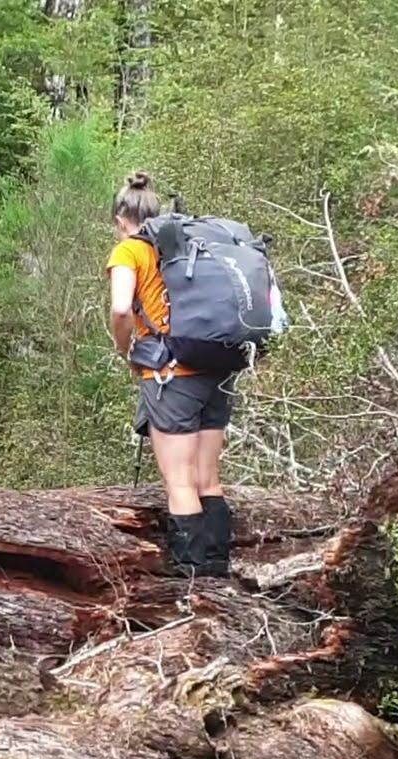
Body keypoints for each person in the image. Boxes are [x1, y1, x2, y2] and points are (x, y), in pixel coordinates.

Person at [106, 172, 234, 577]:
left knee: (180, 481)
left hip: (170, 374)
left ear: (119, 219)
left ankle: (192, 580)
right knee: (208, 479)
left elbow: (122, 309)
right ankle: (217, 570)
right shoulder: (189, 240)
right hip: (216, 367)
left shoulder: (130, 251)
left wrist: (123, 347)